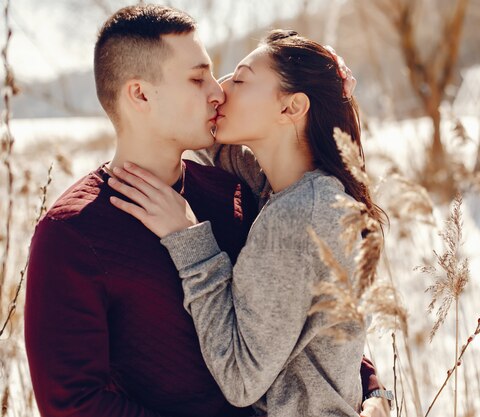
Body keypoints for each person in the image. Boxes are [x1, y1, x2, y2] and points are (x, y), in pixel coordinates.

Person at [24, 5, 386, 417]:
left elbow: (293, 317)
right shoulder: (72, 234)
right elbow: (72, 405)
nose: (219, 92)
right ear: (140, 94)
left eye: (221, 76)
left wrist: (370, 388)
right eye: (199, 78)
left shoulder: (233, 194)